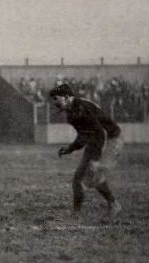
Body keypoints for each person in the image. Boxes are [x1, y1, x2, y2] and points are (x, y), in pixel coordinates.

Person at [49, 83, 122, 222]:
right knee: (78, 179)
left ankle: (114, 205)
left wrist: (95, 159)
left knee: (92, 177)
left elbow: (101, 132)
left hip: (111, 139)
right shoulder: (72, 113)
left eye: (56, 99)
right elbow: (84, 136)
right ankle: (76, 215)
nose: (55, 103)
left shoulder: (82, 108)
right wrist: (70, 149)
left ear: (66, 97)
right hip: (96, 141)